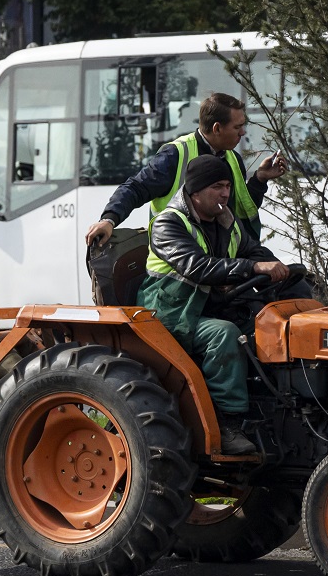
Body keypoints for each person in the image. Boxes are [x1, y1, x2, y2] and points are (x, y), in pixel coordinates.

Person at [137, 155, 306, 456]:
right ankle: (229, 424)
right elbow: (197, 267)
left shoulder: (227, 220)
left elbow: (253, 251)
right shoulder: (168, 225)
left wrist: (278, 267)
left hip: (210, 306)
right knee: (224, 335)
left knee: (274, 329)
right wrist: (253, 269)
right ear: (196, 191)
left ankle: (279, 412)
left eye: (228, 186)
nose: (226, 193)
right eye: (217, 186)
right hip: (171, 313)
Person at [85, 92, 286, 246]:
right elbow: (136, 188)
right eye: (237, 127)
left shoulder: (233, 158)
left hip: (221, 265)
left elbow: (238, 213)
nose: (243, 132)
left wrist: (260, 179)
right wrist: (109, 220)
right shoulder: (175, 155)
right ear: (216, 128)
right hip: (180, 262)